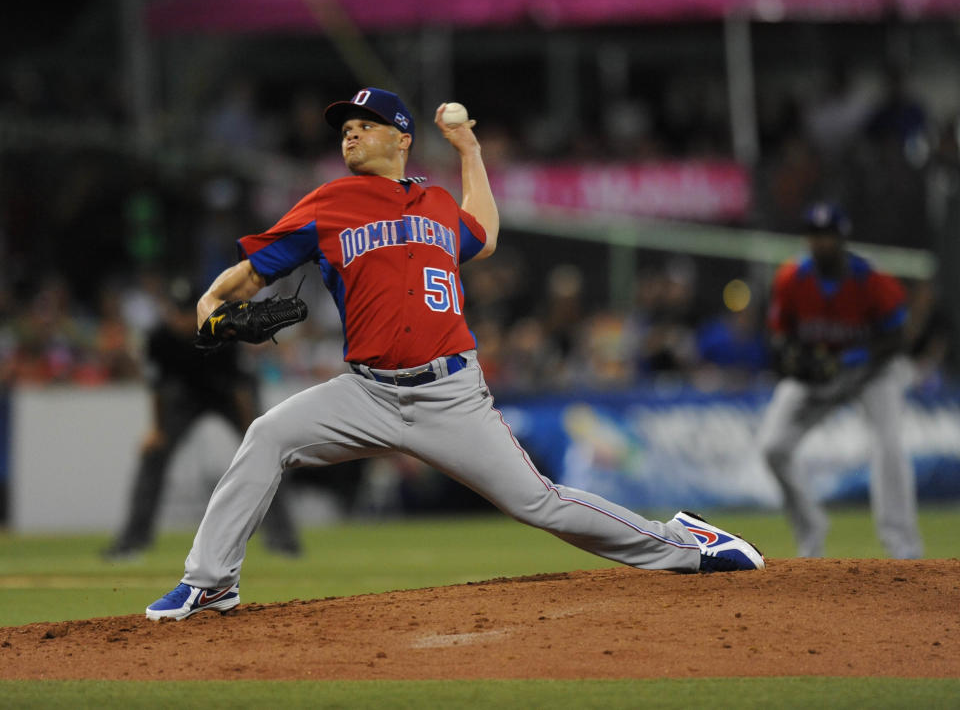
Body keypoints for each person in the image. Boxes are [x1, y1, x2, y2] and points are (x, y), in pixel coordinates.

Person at [145, 88, 764, 621]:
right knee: (268, 435)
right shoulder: (328, 204)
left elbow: (486, 235)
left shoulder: (439, 203)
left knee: (539, 502)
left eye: (365, 124)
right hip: (366, 391)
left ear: (402, 138)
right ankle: (209, 583)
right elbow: (247, 276)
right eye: (345, 128)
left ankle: (688, 544)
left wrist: (469, 149)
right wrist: (209, 309)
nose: (350, 133)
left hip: (451, 394)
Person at [758, 202, 923, 559]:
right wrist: (798, 362)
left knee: (889, 447)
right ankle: (811, 526)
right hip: (818, 376)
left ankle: (903, 548)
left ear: (842, 238)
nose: (820, 243)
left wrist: (853, 358)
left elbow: (898, 336)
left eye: (827, 236)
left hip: (871, 376)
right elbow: (778, 337)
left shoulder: (870, 277)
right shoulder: (791, 278)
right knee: (772, 446)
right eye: (814, 236)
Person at [104, 277, 301, 560]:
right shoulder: (159, 338)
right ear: (167, 310)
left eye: (188, 311)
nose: (182, 319)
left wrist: (252, 431)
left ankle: (283, 539)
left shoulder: (222, 330)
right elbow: (159, 389)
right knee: (153, 456)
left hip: (229, 395)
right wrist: (157, 431)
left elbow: (239, 389)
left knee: (265, 454)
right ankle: (133, 541)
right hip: (185, 396)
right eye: (177, 312)